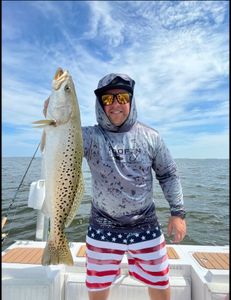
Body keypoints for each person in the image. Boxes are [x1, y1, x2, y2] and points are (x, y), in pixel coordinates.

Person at [43, 73, 186, 300]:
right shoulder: (88, 136)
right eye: (108, 100)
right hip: (102, 225)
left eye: (122, 97)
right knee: (98, 286)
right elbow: (63, 138)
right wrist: (52, 115)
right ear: (100, 104)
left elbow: (168, 174)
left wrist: (177, 213)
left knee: (159, 280)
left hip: (145, 224)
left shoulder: (151, 137)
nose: (116, 104)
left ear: (131, 100)